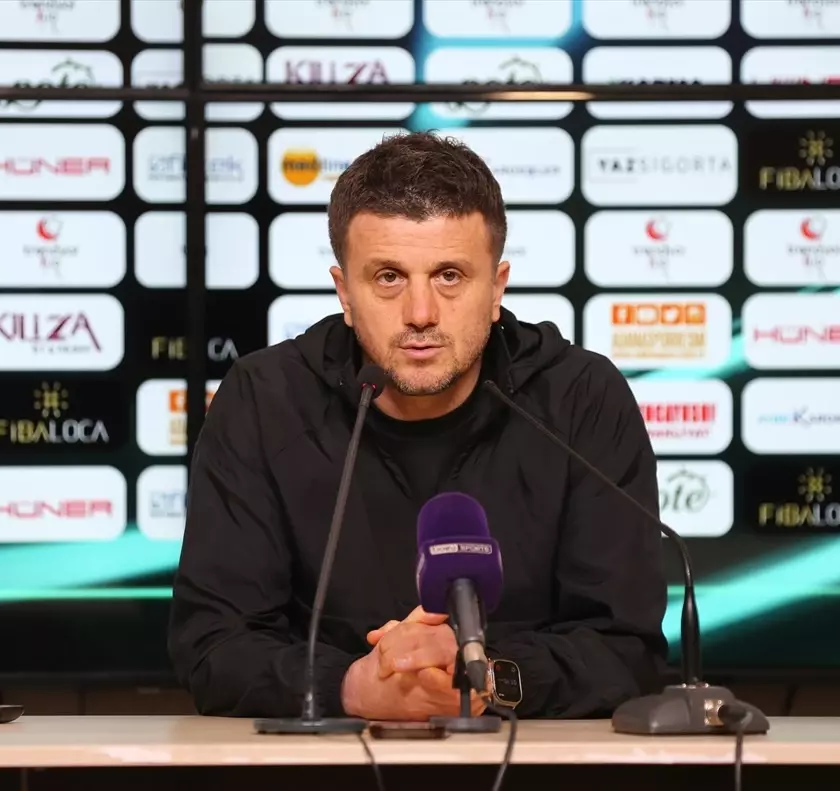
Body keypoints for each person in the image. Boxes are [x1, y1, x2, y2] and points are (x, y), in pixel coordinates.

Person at [168, 131, 668, 721]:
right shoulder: (265, 400)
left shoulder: (581, 399)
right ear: (344, 292)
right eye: (388, 277)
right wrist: (352, 686)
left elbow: (626, 647)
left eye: (450, 275)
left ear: (497, 288)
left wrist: (486, 677)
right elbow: (214, 644)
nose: (421, 314)